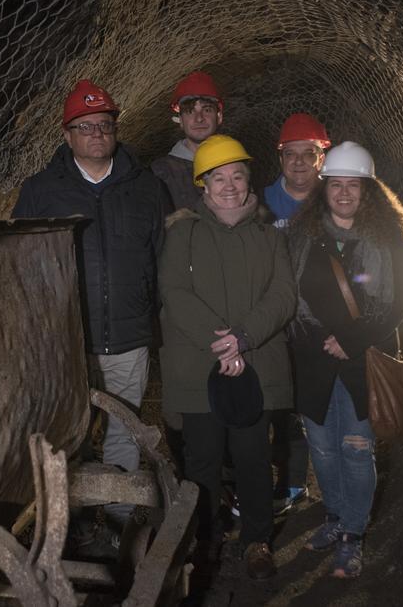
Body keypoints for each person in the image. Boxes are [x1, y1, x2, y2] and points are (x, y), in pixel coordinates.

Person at [12, 79, 172, 532]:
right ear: (67, 135)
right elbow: (24, 266)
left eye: (104, 125)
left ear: (115, 130)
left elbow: (162, 259)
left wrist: (156, 320)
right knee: (69, 435)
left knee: (124, 432)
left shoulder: (146, 188)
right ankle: (75, 525)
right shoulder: (41, 192)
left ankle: (118, 526)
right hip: (68, 340)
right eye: (85, 127)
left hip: (128, 335)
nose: (96, 134)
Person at [157, 134, 296, 580]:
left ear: (248, 180)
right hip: (201, 367)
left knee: (254, 457)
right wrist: (221, 343)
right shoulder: (184, 233)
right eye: (219, 178)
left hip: (252, 365)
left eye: (237, 175)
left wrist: (243, 338)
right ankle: (206, 540)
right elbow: (174, 291)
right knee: (202, 463)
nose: (230, 185)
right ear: (203, 185)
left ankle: (257, 540)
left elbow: (283, 295)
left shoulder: (268, 235)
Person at [286, 141, 403, 579]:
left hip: (363, 360)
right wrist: (316, 338)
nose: (344, 193)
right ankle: (335, 517)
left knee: (357, 450)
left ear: (369, 191)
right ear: (324, 189)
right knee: (322, 448)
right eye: (336, 185)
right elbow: (289, 293)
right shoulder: (301, 237)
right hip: (312, 359)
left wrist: (351, 339)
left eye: (354, 185)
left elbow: (399, 304)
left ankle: (353, 535)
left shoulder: (394, 244)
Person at [150, 70, 225, 476]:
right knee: (183, 393)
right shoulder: (161, 172)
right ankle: (190, 480)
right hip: (180, 303)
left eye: (207, 107)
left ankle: (224, 476)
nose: (199, 114)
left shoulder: (233, 162)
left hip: (230, 297)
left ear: (219, 114)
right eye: (189, 108)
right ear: (176, 116)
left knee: (229, 384)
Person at [261, 112, 332, 516]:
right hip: (280, 323)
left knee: (326, 407)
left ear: (322, 157)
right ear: (281, 157)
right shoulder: (265, 204)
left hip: (325, 324)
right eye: (292, 154)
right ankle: (291, 483)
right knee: (284, 407)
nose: (300, 162)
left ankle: (333, 484)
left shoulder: (336, 199)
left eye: (309, 153)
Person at [151, 71, 223, 211]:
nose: (199, 118)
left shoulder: (234, 166)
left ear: (219, 117)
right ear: (181, 121)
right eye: (190, 111)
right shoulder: (161, 173)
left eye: (207, 110)